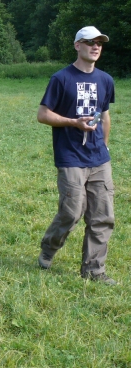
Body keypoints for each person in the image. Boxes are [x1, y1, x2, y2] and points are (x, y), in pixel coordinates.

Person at [37, 26, 116, 285]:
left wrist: (104, 146)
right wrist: (73, 122)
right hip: (70, 156)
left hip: (99, 158)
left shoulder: (105, 80)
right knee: (71, 212)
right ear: (77, 45)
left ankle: (94, 270)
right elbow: (43, 114)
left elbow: (105, 116)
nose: (96, 46)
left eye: (99, 43)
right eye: (90, 42)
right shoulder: (61, 78)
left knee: (102, 216)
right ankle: (49, 247)